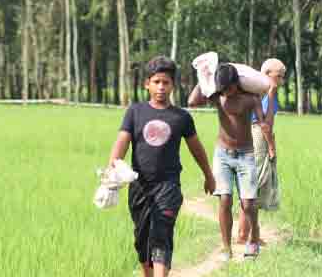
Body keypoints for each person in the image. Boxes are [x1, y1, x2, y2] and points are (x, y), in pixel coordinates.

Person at [107, 56, 216, 277]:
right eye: (156, 82)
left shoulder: (181, 117)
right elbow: (121, 144)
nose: (161, 87)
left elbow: (197, 149)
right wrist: (112, 173)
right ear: (147, 84)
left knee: (161, 235)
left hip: (168, 187)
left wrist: (209, 175)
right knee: (142, 240)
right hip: (139, 187)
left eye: (166, 82)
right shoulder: (135, 112)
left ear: (173, 85)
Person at [187, 63, 276, 261]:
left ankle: (254, 239)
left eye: (229, 87)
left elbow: (263, 121)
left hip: (246, 155)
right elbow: (192, 101)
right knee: (225, 200)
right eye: (223, 88)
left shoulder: (250, 100)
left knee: (248, 203)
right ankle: (226, 248)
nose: (227, 92)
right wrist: (204, 75)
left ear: (237, 83)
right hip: (223, 155)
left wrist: (266, 130)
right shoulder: (218, 98)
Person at [237, 58, 285, 245]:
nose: (281, 81)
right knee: (253, 186)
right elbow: (265, 125)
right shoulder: (263, 94)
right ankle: (244, 234)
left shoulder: (261, 92)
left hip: (256, 139)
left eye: (282, 77)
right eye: (278, 76)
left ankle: (245, 233)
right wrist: (272, 146)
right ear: (266, 74)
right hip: (258, 140)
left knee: (252, 186)